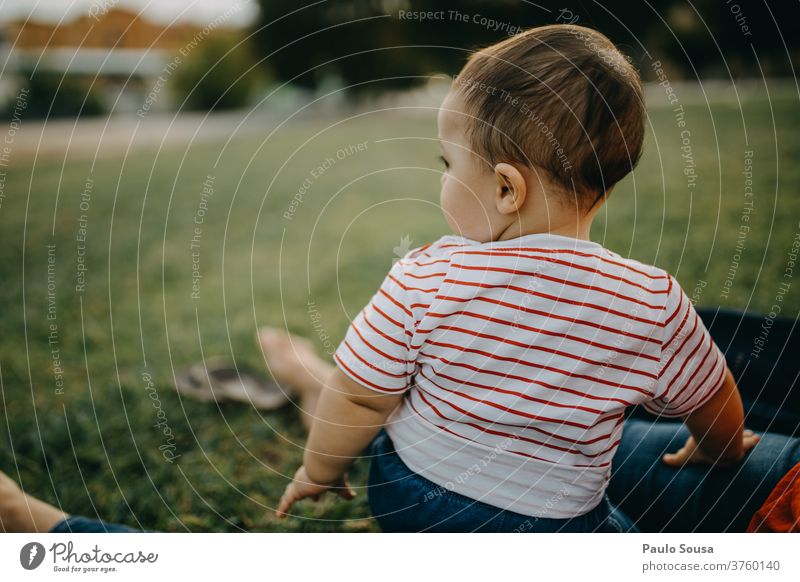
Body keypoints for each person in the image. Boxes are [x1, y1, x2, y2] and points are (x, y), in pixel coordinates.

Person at [271, 24, 760, 532]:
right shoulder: (650, 302)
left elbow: (358, 394)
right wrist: (718, 450)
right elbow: (711, 393)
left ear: (507, 189)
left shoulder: (426, 275)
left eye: (448, 163)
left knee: (384, 422)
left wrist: (318, 470)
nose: (441, 178)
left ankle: (304, 372)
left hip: (410, 497)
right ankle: (301, 371)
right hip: (554, 526)